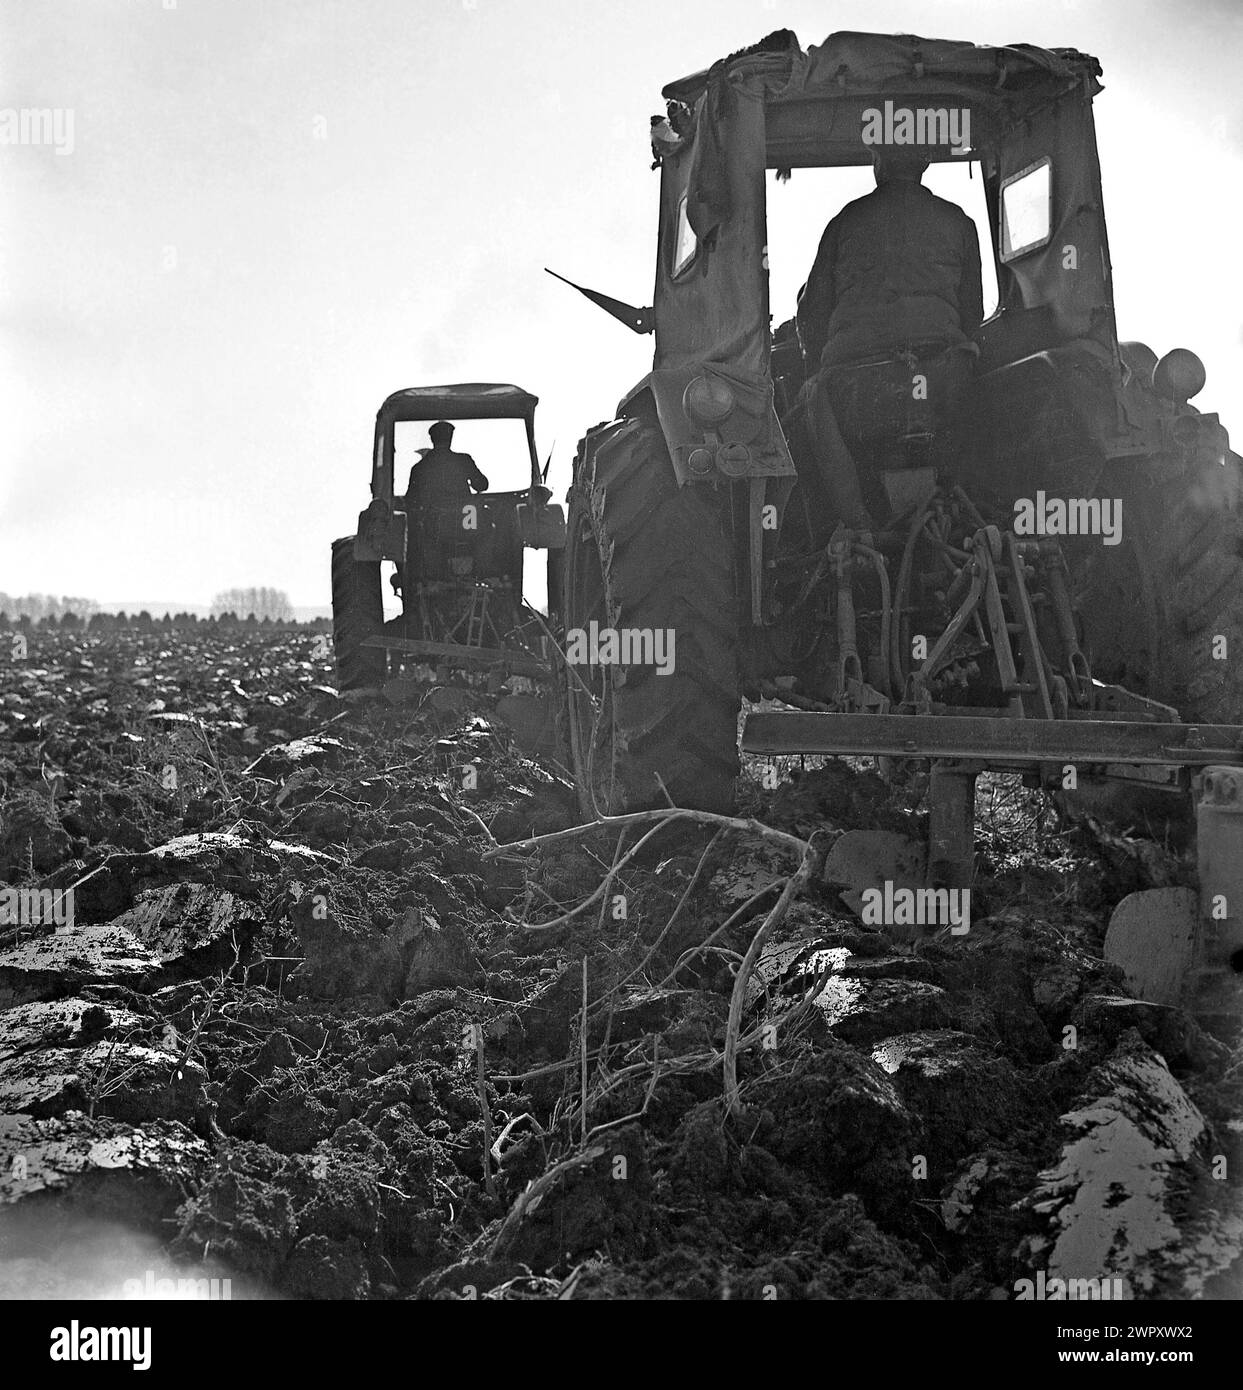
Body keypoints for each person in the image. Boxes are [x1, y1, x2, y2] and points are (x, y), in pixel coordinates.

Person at [794, 150, 984, 530]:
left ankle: (847, 526)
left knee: (810, 400)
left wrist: (815, 358)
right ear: (925, 164)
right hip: (945, 380)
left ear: (877, 164)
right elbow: (972, 313)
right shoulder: (958, 221)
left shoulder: (846, 222)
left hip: (856, 389)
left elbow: (813, 315)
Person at [404, 421, 489, 507]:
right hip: (463, 517)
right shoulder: (464, 460)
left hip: (432, 519)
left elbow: (410, 500)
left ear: (432, 439)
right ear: (450, 438)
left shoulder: (419, 467)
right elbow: (482, 485)